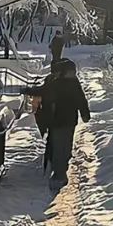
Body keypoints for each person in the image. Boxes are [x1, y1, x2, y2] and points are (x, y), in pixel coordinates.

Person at [25, 59, 90, 189]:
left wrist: (27, 90)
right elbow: (81, 100)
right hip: (69, 121)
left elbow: (42, 91)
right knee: (65, 145)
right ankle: (61, 170)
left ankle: (59, 174)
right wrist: (85, 114)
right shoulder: (73, 84)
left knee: (59, 146)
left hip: (57, 120)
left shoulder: (57, 84)